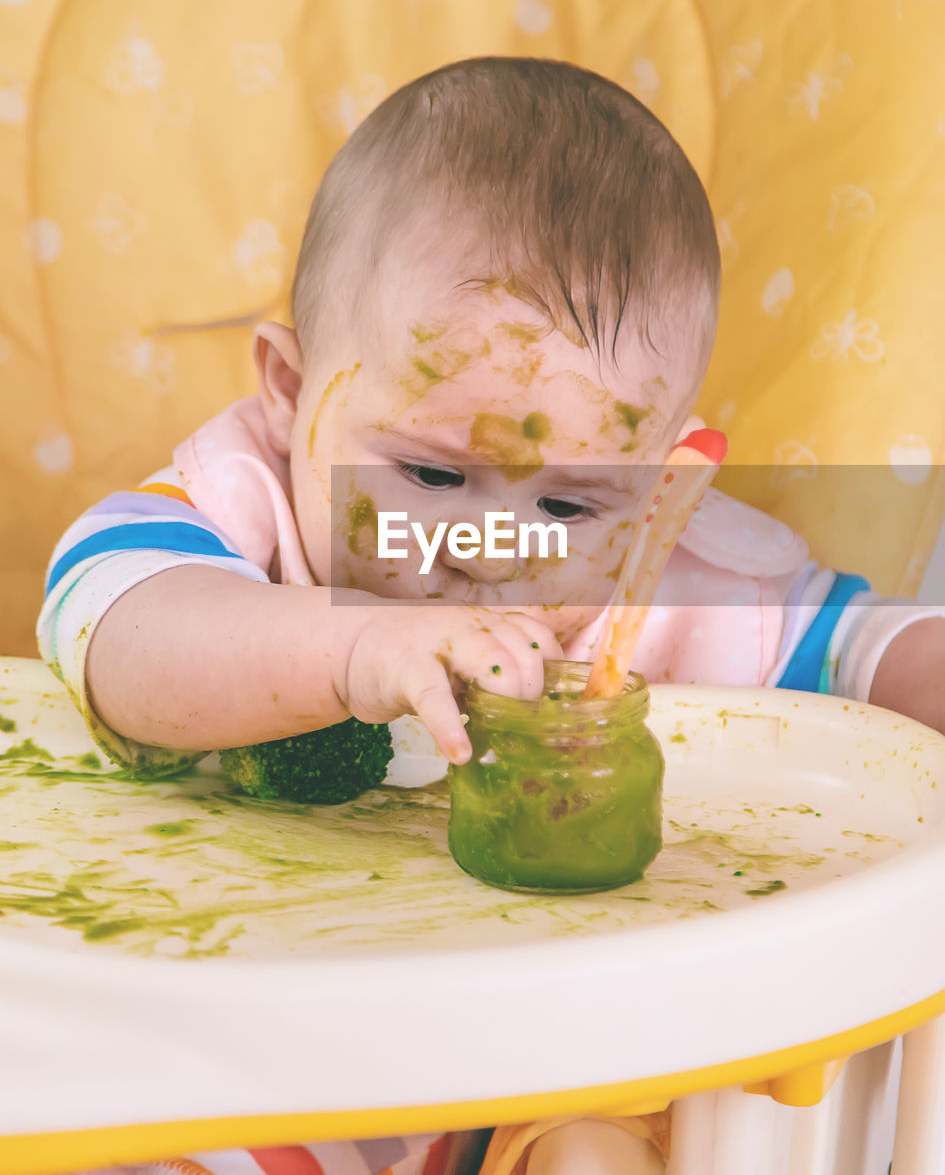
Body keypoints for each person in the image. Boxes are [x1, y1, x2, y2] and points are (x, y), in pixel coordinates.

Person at [38, 57, 945, 1175]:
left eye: (566, 499)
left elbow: (868, 657)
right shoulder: (243, 513)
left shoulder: (669, 572)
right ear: (289, 391)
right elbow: (120, 632)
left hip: (566, 1065)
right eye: (429, 476)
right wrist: (353, 645)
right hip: (253, 1045)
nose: (490, 547)